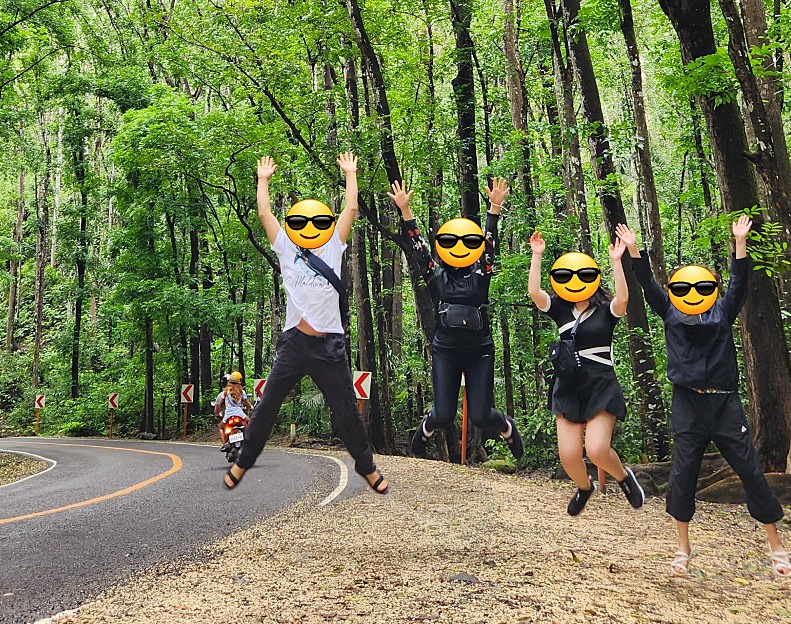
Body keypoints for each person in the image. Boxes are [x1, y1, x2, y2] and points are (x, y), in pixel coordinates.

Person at [616, 214, 791, 576]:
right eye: (683, 288)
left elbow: (739, 284)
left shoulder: (722, 312)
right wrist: (634, 250)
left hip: (724, 403)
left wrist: (739, 242)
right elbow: (648, 284)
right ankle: (682, 549)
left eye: (699, 287)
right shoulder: (670, 312)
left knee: (751, 471)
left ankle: (777, 547)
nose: (690, 293)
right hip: (688, 403)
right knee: (683, 474)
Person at [225, 153, 388, 495]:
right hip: (294, 343)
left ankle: (368, 467)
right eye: (300, 223)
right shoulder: (286, 248)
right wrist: (263, 179)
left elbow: (351, 210)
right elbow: (264, 214)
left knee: (346, 413)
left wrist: (350, 173)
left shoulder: (333, 247)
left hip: (329, 345)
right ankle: (242, 461)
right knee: (267, 405)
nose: (308, 228)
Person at [394, 175, 523, 462]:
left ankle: (507, 428)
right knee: (442, 414)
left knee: (480, 414)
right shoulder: (436, 276)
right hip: (446, 351)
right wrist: (406, 211)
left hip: (479, 351)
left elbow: (488, 242)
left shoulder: (481, 275)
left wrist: (494, 209)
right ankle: (425, 429)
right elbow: (418, 248)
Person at [527, 229, 646, 515]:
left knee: (597, 449)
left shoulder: (606, 310)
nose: (575, 282)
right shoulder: (559, 309)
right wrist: (537, 254)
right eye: (568, 276)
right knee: (568, 456)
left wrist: (617, 260)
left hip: (600, 383)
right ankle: (584, 487)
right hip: (568, 386)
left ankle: (623, 477)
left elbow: (623, 299)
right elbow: (534, 292)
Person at [213, 371, 251, 442]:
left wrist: (217, 412)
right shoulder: (242, 392)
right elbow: (247, 404)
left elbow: (219, 405)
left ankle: (224, 444)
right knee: (250, 424)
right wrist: (250, 407)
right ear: (240, 380)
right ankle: (249, 441)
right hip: (240, 414)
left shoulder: (225, 392)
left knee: (221, 427)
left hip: (228, 415)